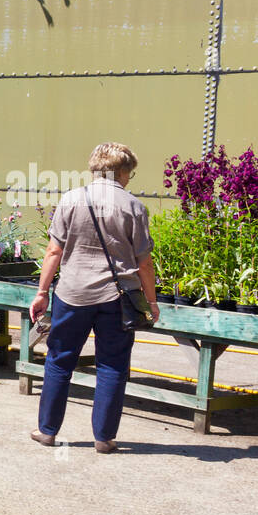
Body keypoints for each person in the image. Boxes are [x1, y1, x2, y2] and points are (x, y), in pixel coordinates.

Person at [28, 143, 158, 453]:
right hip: (118, 297)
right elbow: (144, 263)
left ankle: (47, 431)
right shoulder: (134, 207)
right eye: (131, 173)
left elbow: (54, 251)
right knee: (112, 365)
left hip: (73, 293)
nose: (130, 179)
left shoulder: (71, 199)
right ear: (122, 172)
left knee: (59, 360)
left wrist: (42, 292)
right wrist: (152, 302)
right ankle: (104, 438)